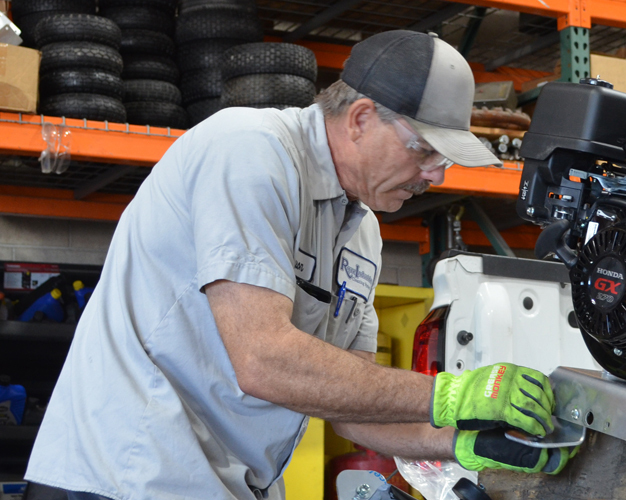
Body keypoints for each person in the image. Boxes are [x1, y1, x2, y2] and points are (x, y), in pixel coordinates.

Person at [24, 30, 575, 500]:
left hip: (225, 484)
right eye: (424, 150)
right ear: (361, 118)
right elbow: (263, 360)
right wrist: (449, 396)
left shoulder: (362, 230)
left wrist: (461, 442)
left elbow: (351, 409)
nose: (436, 175)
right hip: (122, 475)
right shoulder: (250, 151)